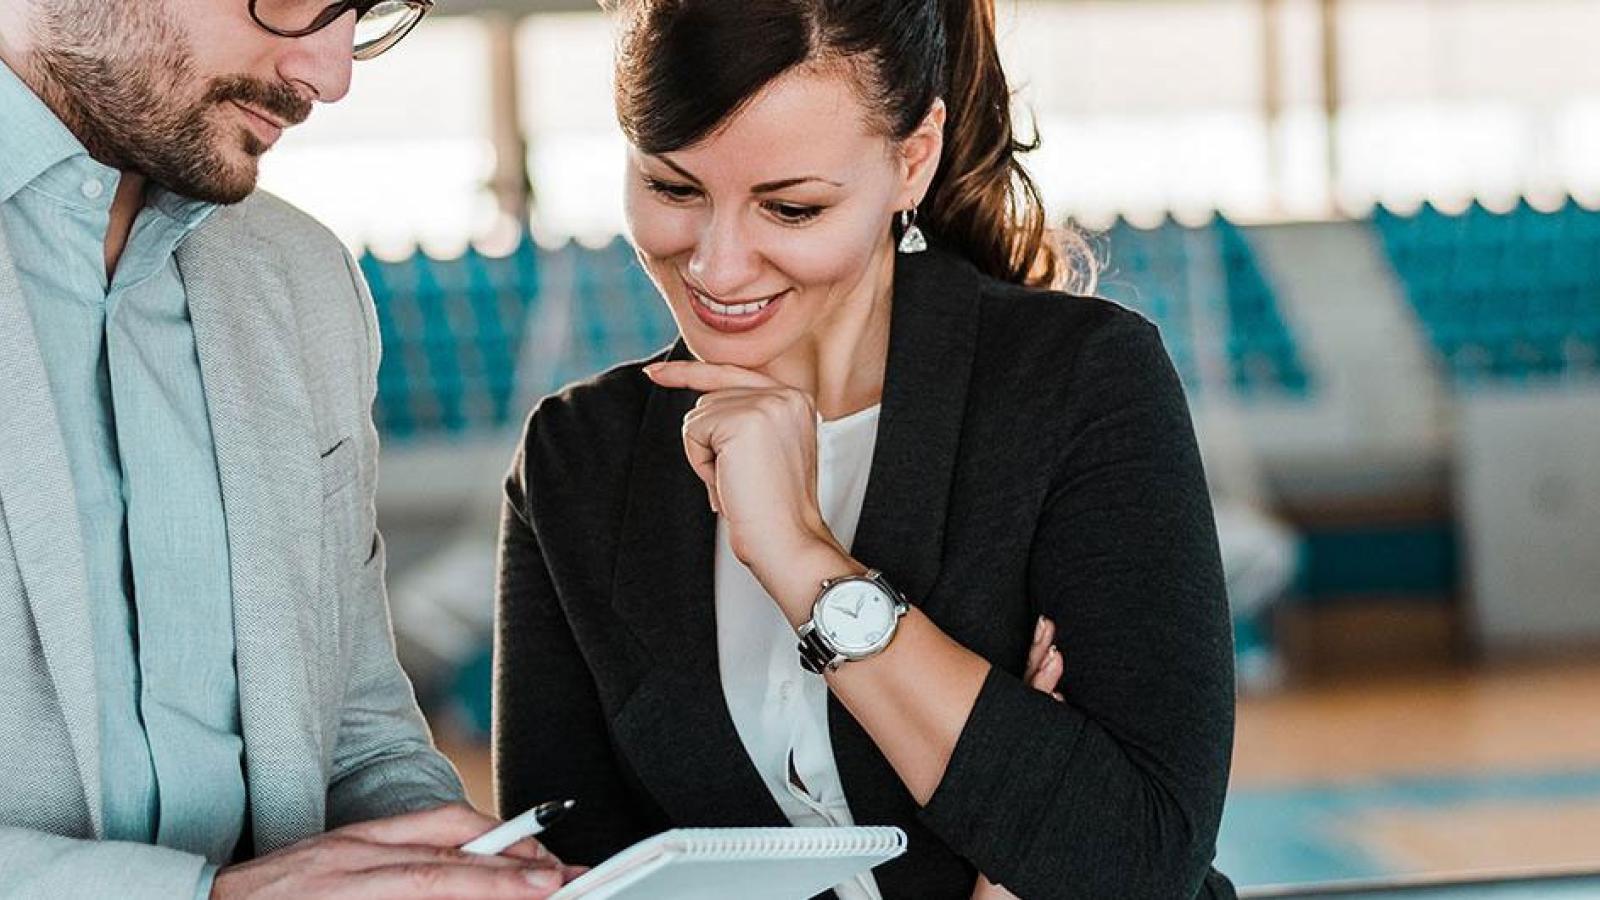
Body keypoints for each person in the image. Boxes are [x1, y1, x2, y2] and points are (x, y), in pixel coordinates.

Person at [494, 0, 1237, 897]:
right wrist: (1010, 802)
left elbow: (1140, 859)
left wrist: (804, 562)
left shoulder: (1076, 384)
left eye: (792, 208)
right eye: (673, 189)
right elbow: (571, 876)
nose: (716, 267)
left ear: (911, 161)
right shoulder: (576, 461)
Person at [0, 1, 574, 897]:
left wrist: (442, 865)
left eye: (367, 14)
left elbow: (353, 731)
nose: (330, 76)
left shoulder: (300, 278)